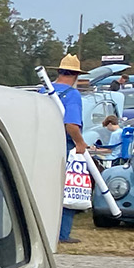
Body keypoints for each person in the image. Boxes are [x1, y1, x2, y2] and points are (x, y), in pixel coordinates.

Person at [46, 53, 88, 244]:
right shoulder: (72, 95)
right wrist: (80, 143)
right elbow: (71, 124)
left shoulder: (43, 91)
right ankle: (62, 233)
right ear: (76, 76)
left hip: (42, 144)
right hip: (64, 148)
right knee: (69, 189)